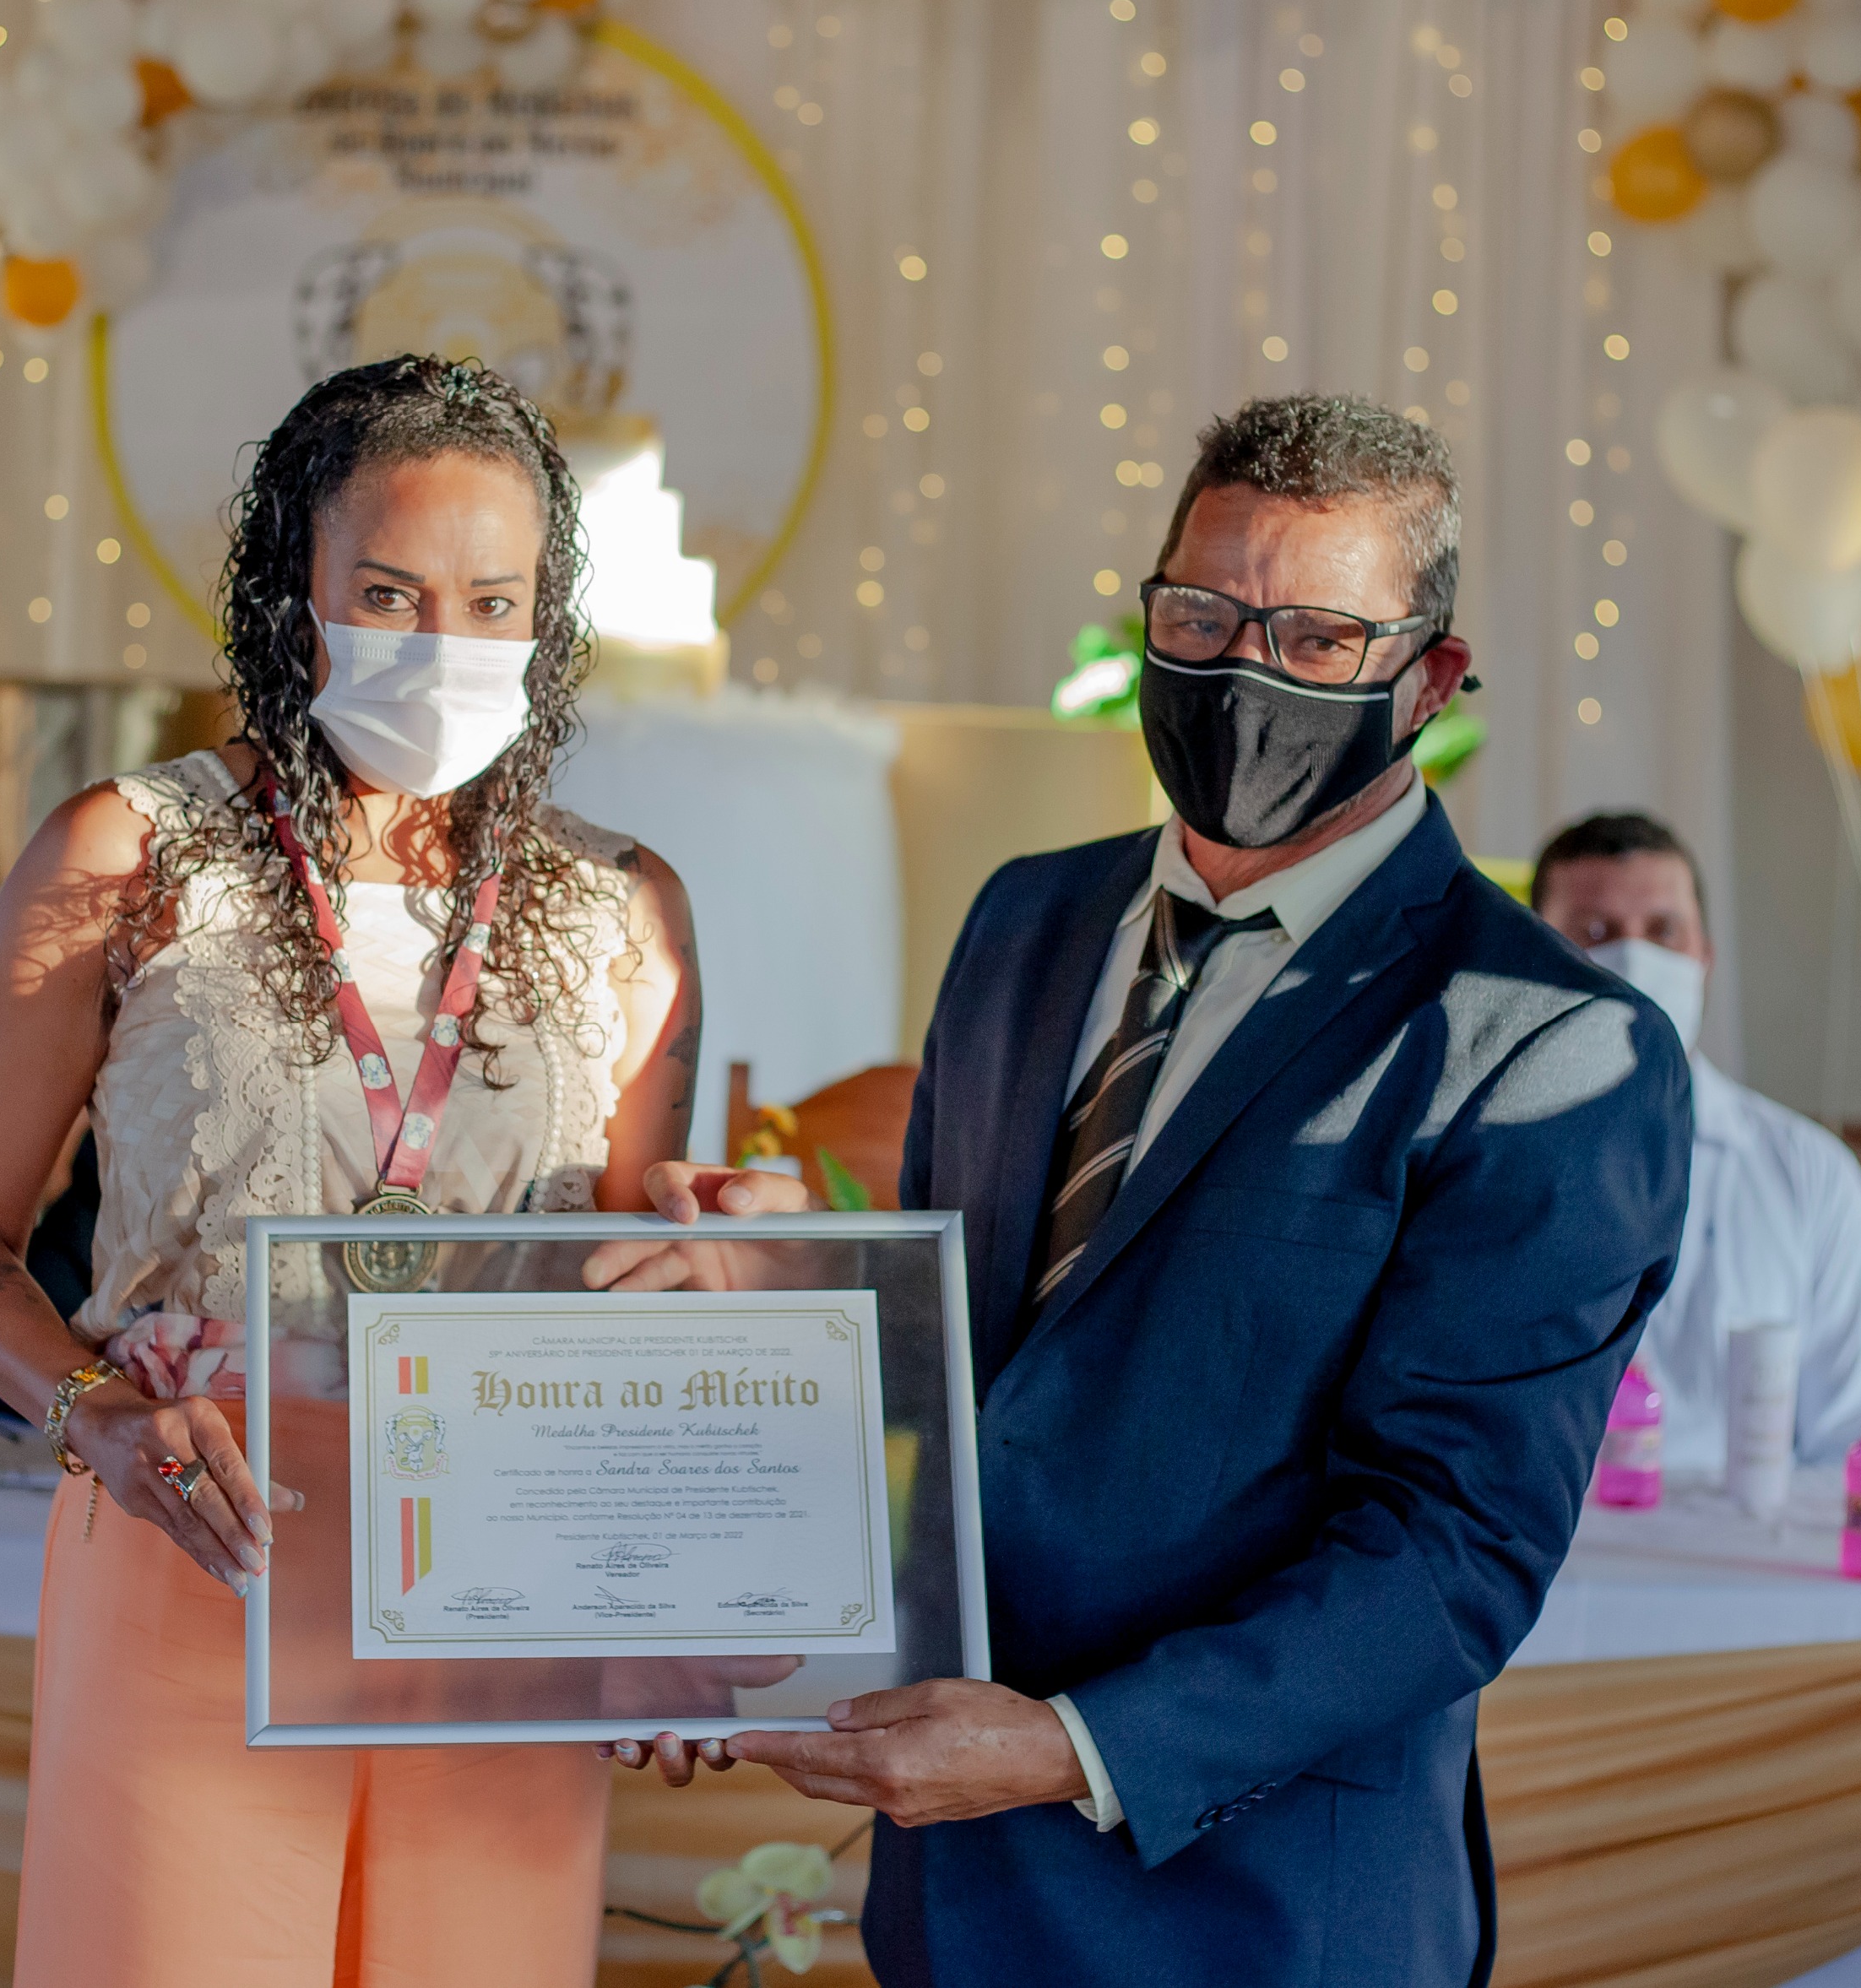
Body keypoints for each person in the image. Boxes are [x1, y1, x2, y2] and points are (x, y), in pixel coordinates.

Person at [628, 395, 1692, 1988]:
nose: (1243, 673)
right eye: (1200, 617)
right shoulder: (1023, 921)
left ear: (1429, 679)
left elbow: (1449, 1552)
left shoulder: (1543, 1043)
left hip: (1257, 1906)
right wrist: (806, 1295)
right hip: (950, 1890)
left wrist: (1068, 1746)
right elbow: (977, 1362)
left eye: (1317, 640)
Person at [0, 356, 708, 1988]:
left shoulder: (625, 905)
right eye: (389, 594)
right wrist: (95, 1417)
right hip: (198, 1538)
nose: (443, 642)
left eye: (493, 603)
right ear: (295, 591)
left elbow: (638, 1309)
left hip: (505, 1574)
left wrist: (676, 1592)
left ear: (547, 624)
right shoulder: (127, 852)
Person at [1531, 810, 1861, 1473]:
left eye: (1663, 931)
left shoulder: (1809, 1174)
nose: (1634, 960)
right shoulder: (1476, 1167)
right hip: (1551, 1537)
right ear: (1535, 953)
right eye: (1596, 932)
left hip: (1751, 1531)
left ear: (1705, 954)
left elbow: (1855, 1441)